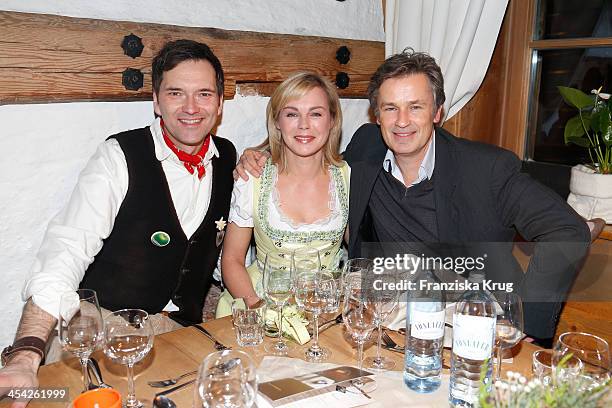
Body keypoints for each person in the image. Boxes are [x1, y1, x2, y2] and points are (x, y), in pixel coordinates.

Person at [235, 49, 590, 344]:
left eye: (415, 106)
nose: (401, 121)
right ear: (377, 114)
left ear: (437, 112)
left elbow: (567, 232)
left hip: (472, 318)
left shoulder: (487, 169)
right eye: (390, 108)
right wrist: (259, 152)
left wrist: (528, 326)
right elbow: (305, 143)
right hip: (391, 318)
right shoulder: (366, 148)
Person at [0, 39, 235, 405]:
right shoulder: (118, 157)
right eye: (176, 93)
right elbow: (67, 248)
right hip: (101, 330)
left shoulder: (229, 157)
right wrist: (26, 352)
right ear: (156, 101)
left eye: (204, 94)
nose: (191, 107)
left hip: (177, 333)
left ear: (220, 103)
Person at [216, 72, 349, 317]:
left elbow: (361, 249)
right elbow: (232, 259)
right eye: (291, 114)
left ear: (332, 120)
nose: (304, 125)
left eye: (316, 113)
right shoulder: (252, 177)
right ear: (277, 121)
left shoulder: (348, 177)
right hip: (261, 301)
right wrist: (258, 309)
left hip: (327, 310)